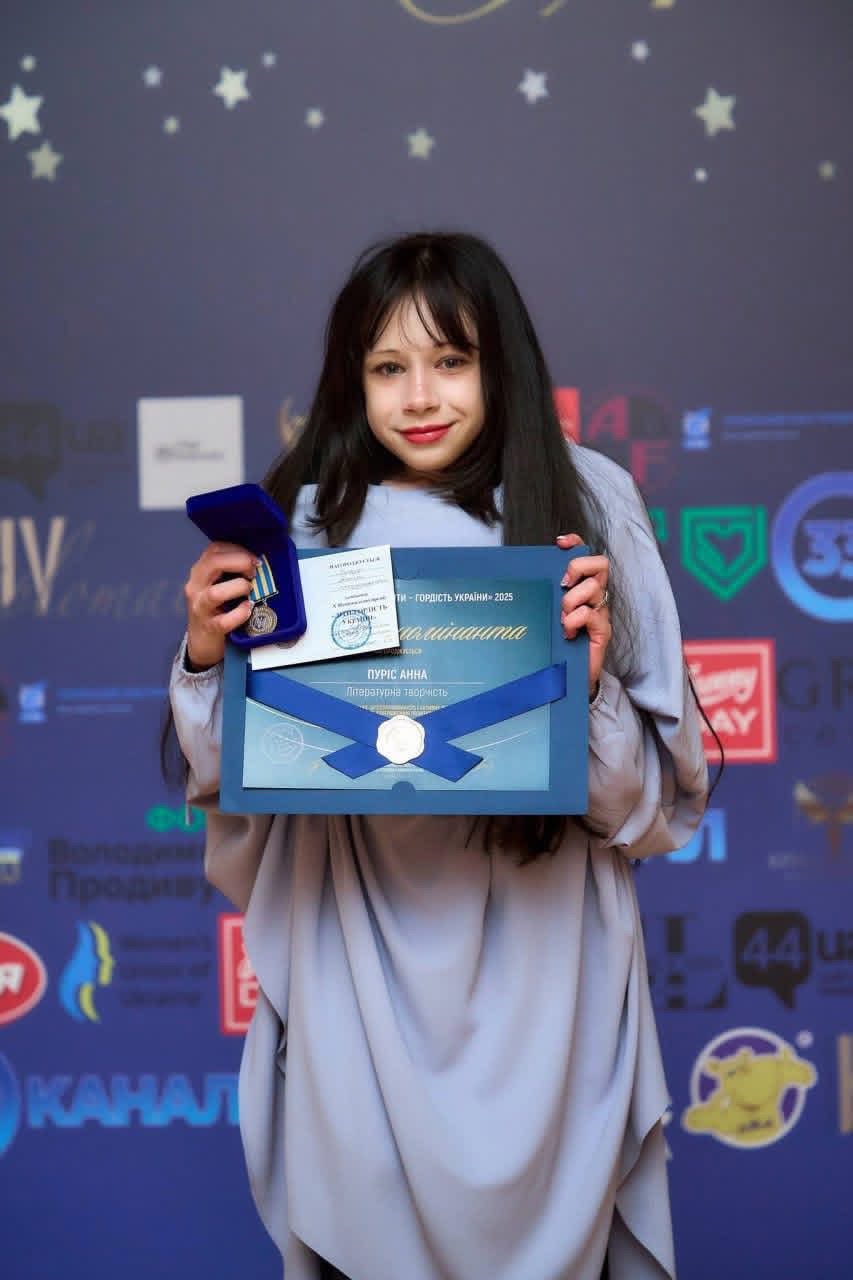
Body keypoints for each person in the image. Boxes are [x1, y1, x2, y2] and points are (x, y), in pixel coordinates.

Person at [168, 231, 710, 1280]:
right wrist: (203, 650)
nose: (419, 396)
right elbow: (239, 774)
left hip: (550, 976)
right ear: (351, 380)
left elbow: (649, 806)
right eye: (387, 367)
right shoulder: (300, 520)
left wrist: (587, 682)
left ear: (501, 364)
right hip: (355, 959)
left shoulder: (589, 502)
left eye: (451, 360)